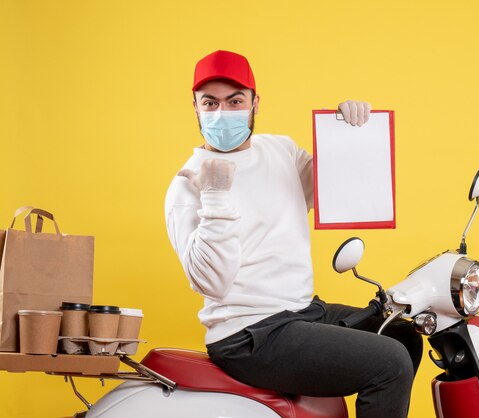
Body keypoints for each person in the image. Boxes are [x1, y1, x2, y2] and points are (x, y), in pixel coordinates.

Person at [164, 50, 422, 418]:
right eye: (210, 102)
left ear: (255, 102)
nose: (222, 112)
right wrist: (215, 194)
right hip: (249, 335)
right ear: (195, 107)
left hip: (301, 313)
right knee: (390, 363)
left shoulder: (279, 150)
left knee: (400, 335)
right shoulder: (188, 185)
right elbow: (212, 284)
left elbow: (334, 188)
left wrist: (350, 129)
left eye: (235, 100)